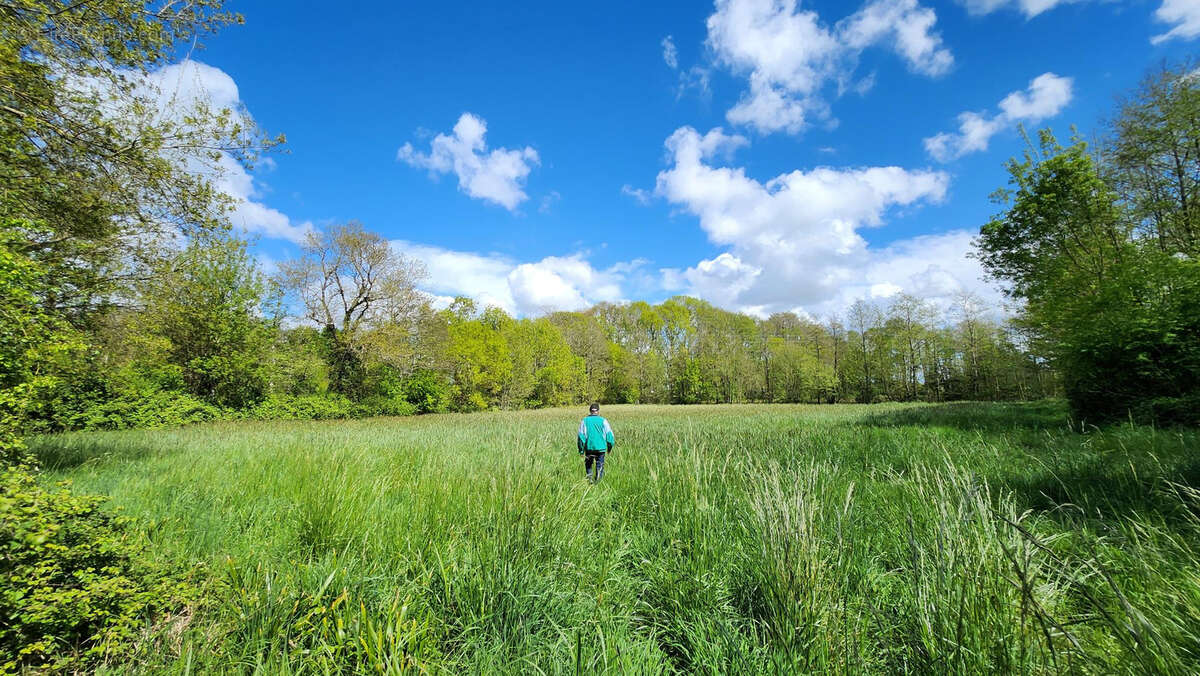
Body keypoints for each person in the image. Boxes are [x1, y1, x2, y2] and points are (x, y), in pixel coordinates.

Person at [577, 403, 615, 482]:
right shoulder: (603, 421)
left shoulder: (584, 421)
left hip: (589, 448)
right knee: (600, 466)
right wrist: (609, 448)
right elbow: (610, 437)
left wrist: (581, 450)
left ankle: (589, 481)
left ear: (590, 411)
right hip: (601, 449)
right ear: (598, 411)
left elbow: (581, 437)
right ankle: (598, 482)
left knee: (588, 465)